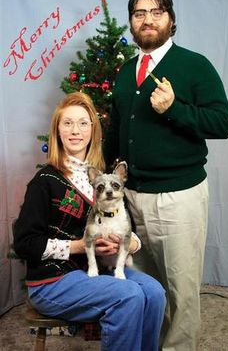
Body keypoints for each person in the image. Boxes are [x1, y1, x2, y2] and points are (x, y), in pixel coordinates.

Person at [103, 0, 228, 351]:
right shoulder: (127, 71)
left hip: (178, 198)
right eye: (139, 13)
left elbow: (223, 123)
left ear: (171, 19)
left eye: (156, 12)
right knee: (144, 288)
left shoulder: (194, 65)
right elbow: (116, 128)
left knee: (180, 292)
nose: (148, 19)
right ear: (131, 22)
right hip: (130, 199)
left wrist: (175, 108)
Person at [13, 91, 166, 351]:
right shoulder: (44, 182)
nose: (76, 130)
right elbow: (25, 243)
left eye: (83, 123)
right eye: (68, 123)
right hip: (53, 281)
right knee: (128, 295)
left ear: (93, 131)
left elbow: (133, 232)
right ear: (57, 130)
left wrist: (126, 246)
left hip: (98, 272)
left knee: (154, 292)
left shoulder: (105, 180)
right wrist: (79, 246)